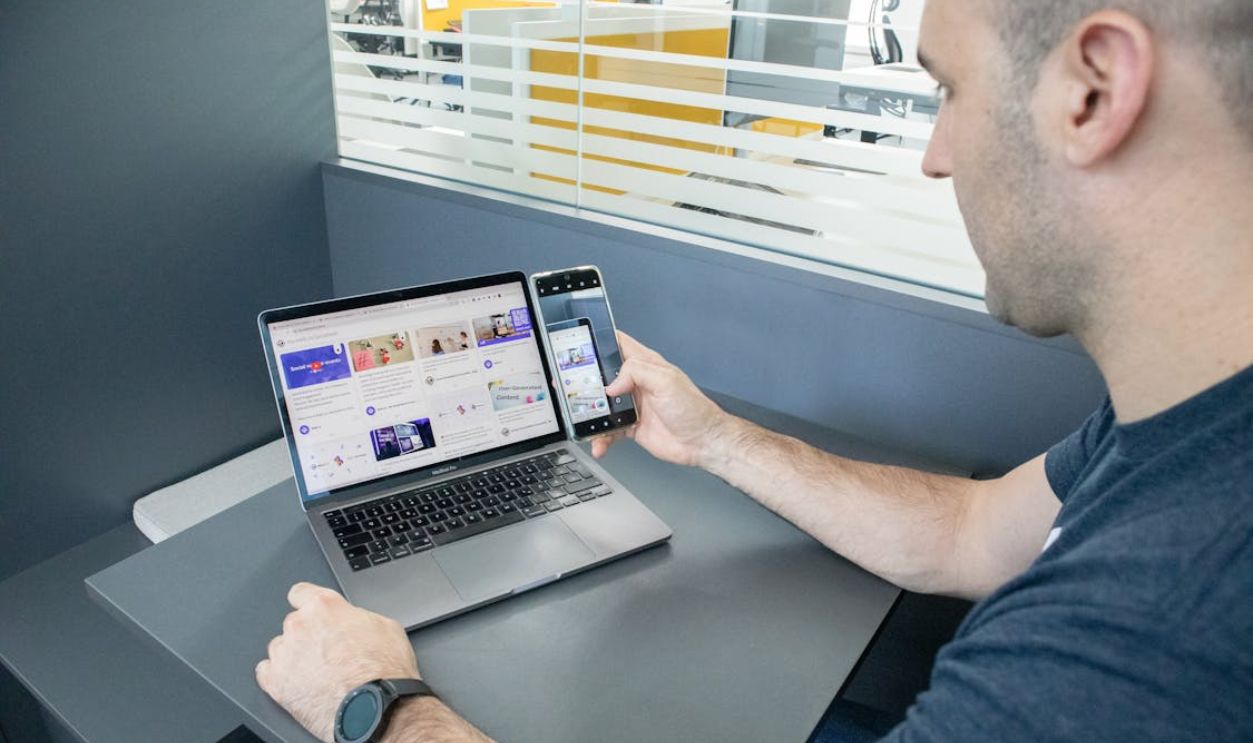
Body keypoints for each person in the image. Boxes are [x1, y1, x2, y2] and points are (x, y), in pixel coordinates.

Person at [254, 1, 1253, 741]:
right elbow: (970, 530)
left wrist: (380, 710)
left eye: (950, 89)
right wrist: (718, 438)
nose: (934, 156)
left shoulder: (1150, 640)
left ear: (1094, 86)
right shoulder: (1180, 424)